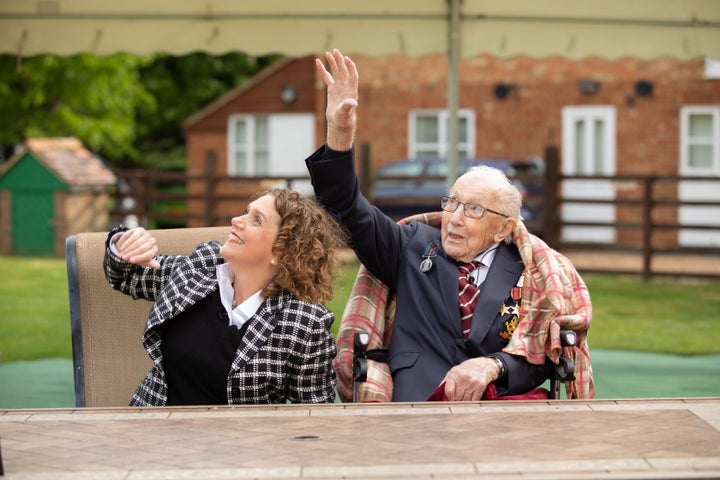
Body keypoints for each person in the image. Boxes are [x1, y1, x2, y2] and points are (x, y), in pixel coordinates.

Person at [305, 49, 594, 402]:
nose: (454, 218)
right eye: (452, 203)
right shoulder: (410, 245)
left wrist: (494, 365)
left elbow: (544, 360)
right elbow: (345, 207)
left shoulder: (530, 270)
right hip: (417, 407)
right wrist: (340, 132)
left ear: (503, 228)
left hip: (501, 412)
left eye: (472, 209)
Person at [103, 187, 347, 406]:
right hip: (153, 433)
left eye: (256, 220)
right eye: (245, 212)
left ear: (282, 250)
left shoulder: (304, 323)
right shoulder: (202, 265)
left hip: (241, 449)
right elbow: (127, 277)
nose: (236, 221)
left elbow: (314, 415)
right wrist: (123, 244)